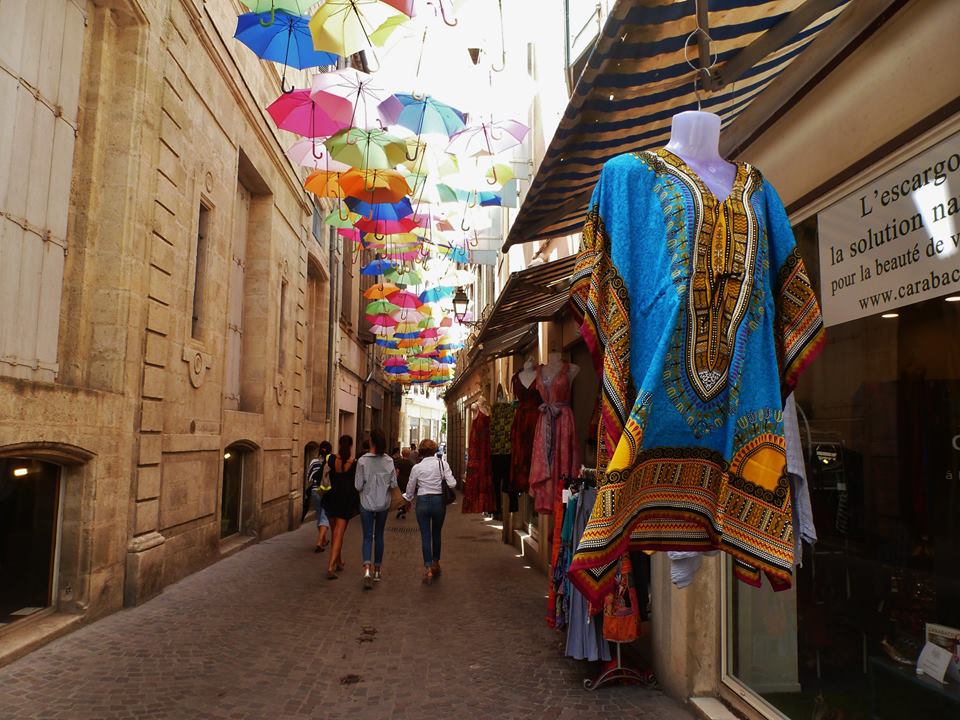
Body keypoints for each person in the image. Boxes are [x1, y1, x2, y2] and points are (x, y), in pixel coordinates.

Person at [404, 438, 457, 585]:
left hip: (421, 502)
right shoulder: (442, 464)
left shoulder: (417, 468)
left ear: (421, 451)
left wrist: (405, 499)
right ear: (434, 450)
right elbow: (452, 483)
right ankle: (436, 563)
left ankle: (428, 568)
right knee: (436, 533)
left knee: (425, 535)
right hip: (438, 502)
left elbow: (410, 490)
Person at [354, 429, 398, 590]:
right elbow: (393, 484)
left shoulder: (362, 461)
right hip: (383, 504)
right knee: (379, 535)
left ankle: (367, 570)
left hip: (366, 503)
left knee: (367, 536)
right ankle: (378, 571)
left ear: (371, 441)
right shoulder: (389, 461)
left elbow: (358, 485)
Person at [322, 435, 360, 580]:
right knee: (339, 533)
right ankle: (331, 566)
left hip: (331, 497)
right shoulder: (354, 463)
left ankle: (338, 561)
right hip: (345, 500)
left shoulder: (331, 459)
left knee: (334, 532)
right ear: (350, 446)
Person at [306, 441, 333, 551]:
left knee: (319, 515)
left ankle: (323, 540)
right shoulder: (330, 462)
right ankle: (319, 541)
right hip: (326, 491)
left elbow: (309, 477)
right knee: (325, 516)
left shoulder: (313, 461)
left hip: (315, 491)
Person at [394, 447, 414, 520]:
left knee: (399, 495)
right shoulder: (411, 463)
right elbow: (412, 473)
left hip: (400, 480)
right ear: (409, 454)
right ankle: (404, 512)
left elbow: (397, 472)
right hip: (407, 481)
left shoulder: (399, 462)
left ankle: (400, 508)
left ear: (402, 453)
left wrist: (395, 480)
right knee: (405, 496)